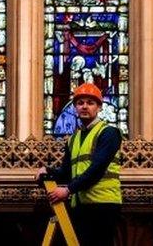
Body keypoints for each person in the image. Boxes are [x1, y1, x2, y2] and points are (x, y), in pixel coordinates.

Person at [37, 82, 122, 245]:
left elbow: (97, 169)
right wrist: (47, 171)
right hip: (82, 205)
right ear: (75, 107)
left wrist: (68, 190)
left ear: (99, 107)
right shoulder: (73, 139)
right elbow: (67, 172)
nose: (84, 107)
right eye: (80, 103)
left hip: (103, 205)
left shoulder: (108, 133)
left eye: (90, 103)